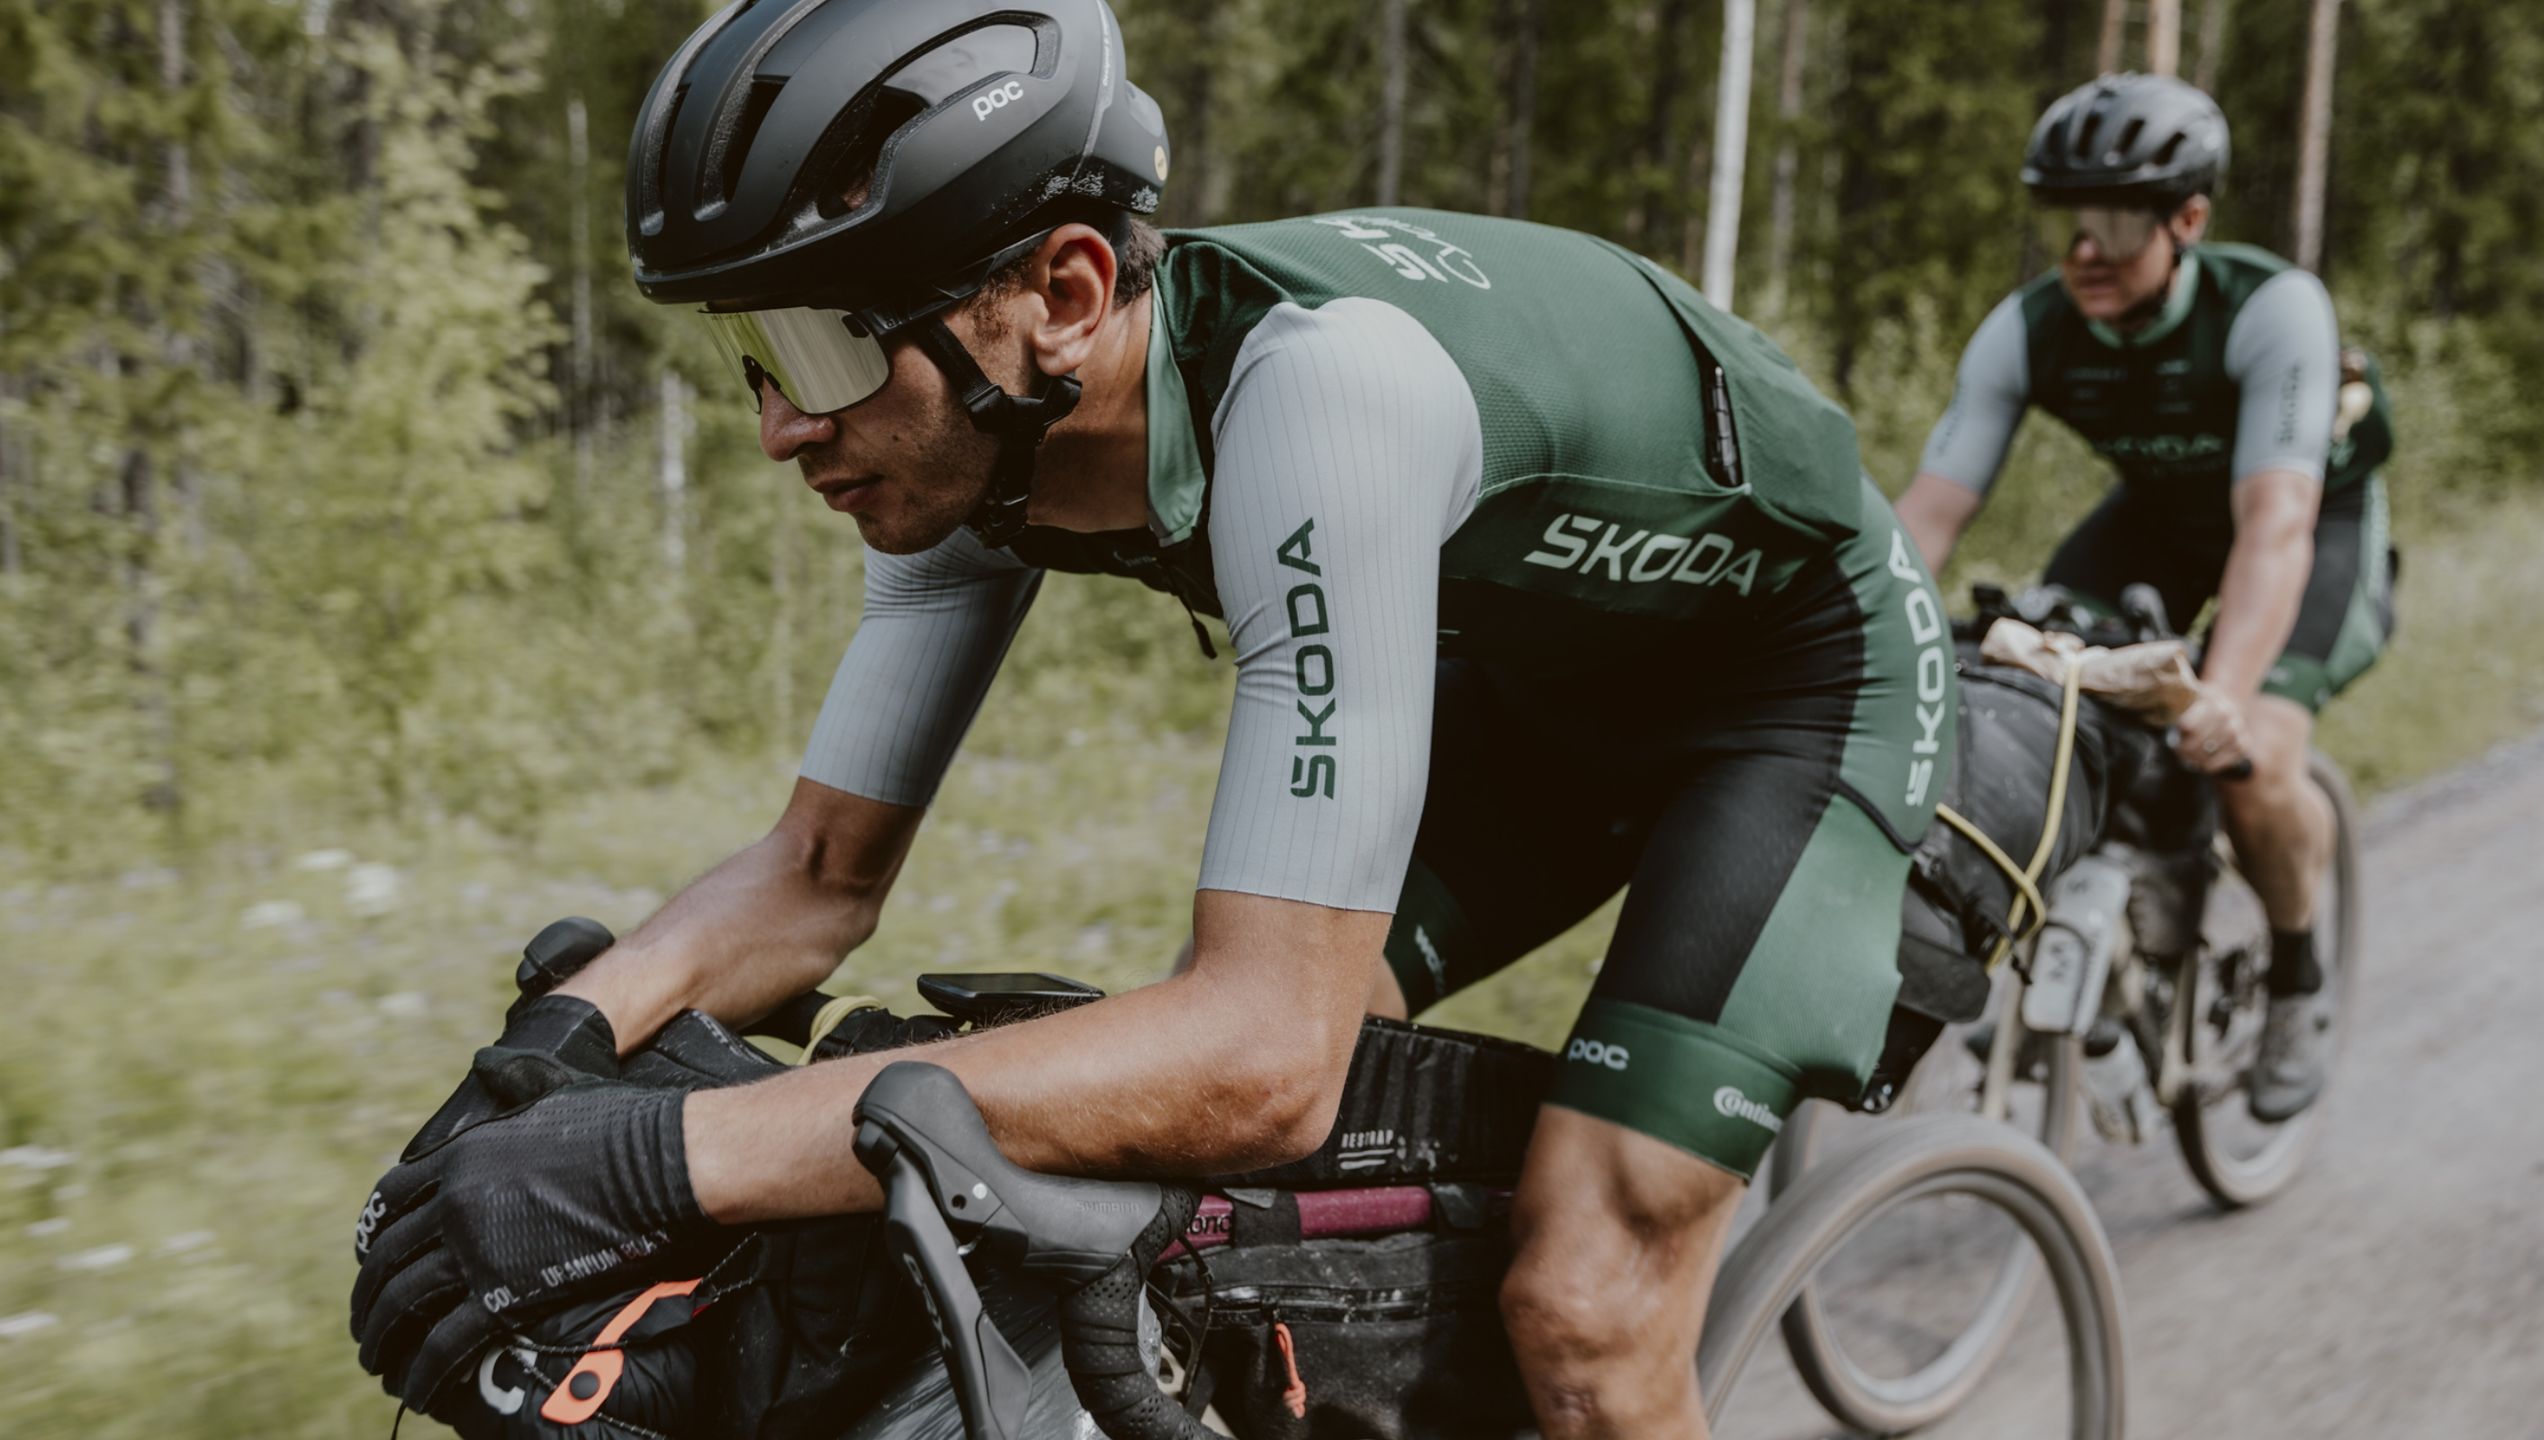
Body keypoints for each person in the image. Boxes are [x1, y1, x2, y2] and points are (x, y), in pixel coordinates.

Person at [349, 2, 1952, 1434]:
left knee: (1584, 1305)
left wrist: (666, 1160)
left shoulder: (1322, 395)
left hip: (1798, 695)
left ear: (1065, 290)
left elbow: (1265, 1055)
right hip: (1542, 692)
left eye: (826, 346)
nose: (781, 426)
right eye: (751, 353)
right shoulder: (972, 444)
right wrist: (547, 1058)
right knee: (1181, 1164)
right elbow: (816, 875)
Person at [1894, 74, 2392, 1125]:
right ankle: (2111, 948)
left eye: (2117, 224)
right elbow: (1928, 514)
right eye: (2065, 222)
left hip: (2311, 525)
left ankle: (2297, 978)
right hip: (2159, 519)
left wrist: (2225, 694)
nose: (2085, 250)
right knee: (2026, 691)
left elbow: (2275, 526)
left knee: (2253, 753)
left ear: (2188, 221)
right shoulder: (2027, 327)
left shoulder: (2268, 309)